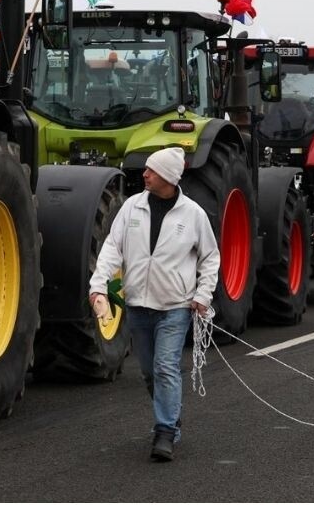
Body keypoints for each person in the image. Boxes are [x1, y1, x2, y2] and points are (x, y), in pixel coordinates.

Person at [88, 147, 220, 462]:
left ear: (169, 177)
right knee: (149, 372)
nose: (144, 174)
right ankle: (171, 413)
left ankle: (164, 432)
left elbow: (210, 258)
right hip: (138, 307)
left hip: (175, 307)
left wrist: (202, 295)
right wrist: (98, 286)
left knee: (165, 367)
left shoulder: (193, 215)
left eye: (151, 170)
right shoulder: (132, 208)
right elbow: (111, 248)